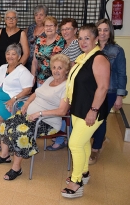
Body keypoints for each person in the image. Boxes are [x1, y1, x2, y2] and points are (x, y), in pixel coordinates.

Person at [0, 54, 71, 180]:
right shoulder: (50, 79)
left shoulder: (67, 86)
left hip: (47, 121)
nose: (56, 71)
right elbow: (36, 93)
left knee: (20, 132)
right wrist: (27, 104)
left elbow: (62, 111)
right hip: (31, 115)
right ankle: (5, 155)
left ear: (66, 70)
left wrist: (39, 114)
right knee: (5, 125)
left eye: (60, 68)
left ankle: (16, 168)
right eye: (54, 67)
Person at [61, 24, 110, 199]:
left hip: (91, 110)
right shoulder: (83, 57)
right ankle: (84, 173)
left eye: (87, 38)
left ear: (96, 39)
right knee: (82, 143)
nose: (83, 42)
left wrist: (93, 110)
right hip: (79, 108)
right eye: (80, 38)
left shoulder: (99, 59)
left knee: (74, 144)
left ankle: (77, 182)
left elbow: (103, 88)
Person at [88, 19, 127, 164]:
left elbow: (122, 73)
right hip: (93, 90)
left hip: (110, 90)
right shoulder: (92, 48)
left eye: (106, 30)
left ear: (110, 32)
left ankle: (96, 149)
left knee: (100, 118)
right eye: (99, 29)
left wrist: (119, 95)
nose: (102, 33)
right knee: (93, 117)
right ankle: (101, 137)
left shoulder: (117, 50)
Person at [0, 44, 33, 152]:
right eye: (8, 53)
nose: (10, 56)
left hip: (13, 102)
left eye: (13, 54)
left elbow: (28, 89)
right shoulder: (2, 67)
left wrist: (14, 98)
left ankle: (2, 141)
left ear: (19, 56)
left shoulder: (23, 71)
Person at [47, 18, 82, 151]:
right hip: (64, 84)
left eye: (68, 29)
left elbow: (71, 68)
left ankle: (63, 139)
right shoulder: (65, 44)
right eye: (63, 29)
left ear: (75, 30)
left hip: (72, 86)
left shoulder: (75, 44)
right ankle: (63, 137)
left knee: (65, 111)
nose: (65, 31)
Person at [31, 16, 65, 86]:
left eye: (51, 26)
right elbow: (34, 61)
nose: (48, 28)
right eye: (46, 26)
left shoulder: (62, 41)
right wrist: (32, 76)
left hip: (55, 80)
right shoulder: (39, 40)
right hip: (40, 80)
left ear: (56, 27)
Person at [25, 5, 48, 70]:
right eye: (36, 15)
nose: (38, 17)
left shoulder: (49, 29)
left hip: (42, 65)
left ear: (46, 16)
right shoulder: (31, 27)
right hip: (28, 63)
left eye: (41, 15)